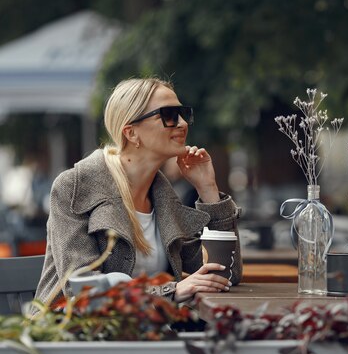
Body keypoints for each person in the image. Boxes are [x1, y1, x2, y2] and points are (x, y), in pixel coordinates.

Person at [35, 77, 242, 307]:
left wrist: (209, 190)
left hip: (146, 332)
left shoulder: (163, 197)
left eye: (183, 114)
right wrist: (170, 292)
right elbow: (83, 291)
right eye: (169, 115)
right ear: (131, 133)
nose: (183, 123)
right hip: (73, 335)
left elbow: (227, 274)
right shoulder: (74, 187)